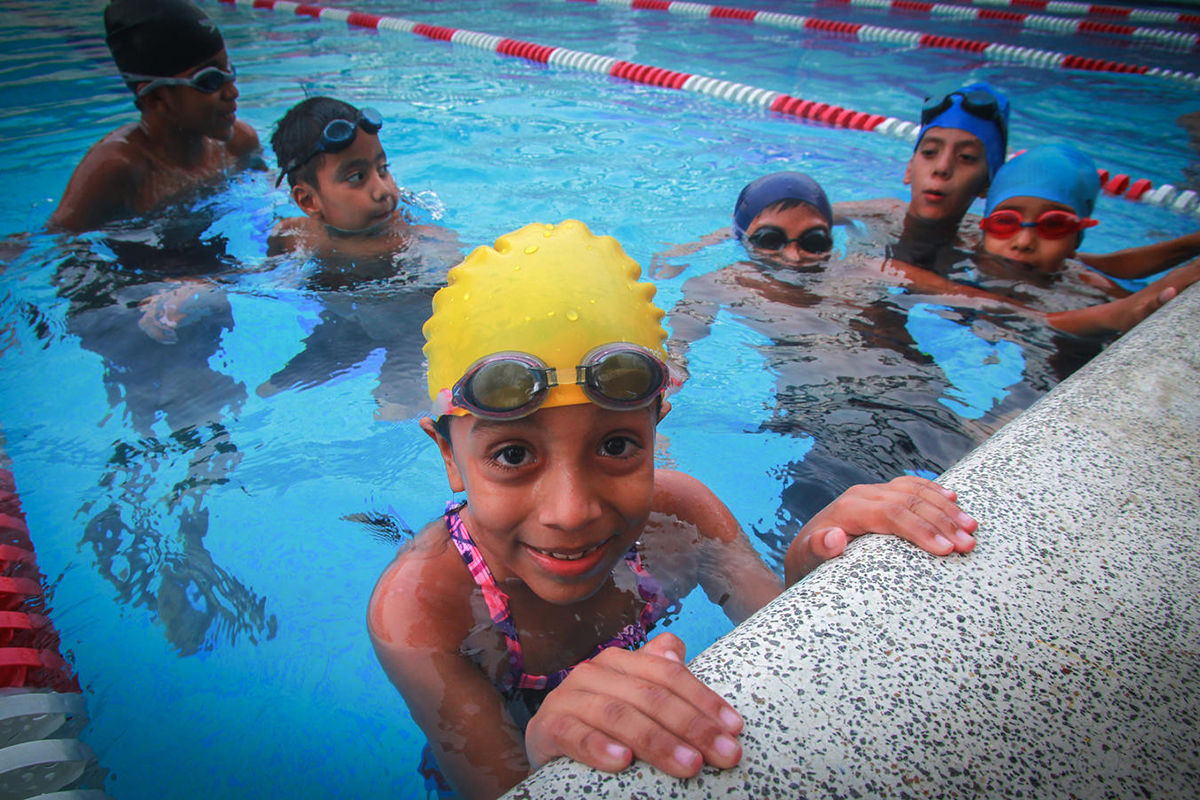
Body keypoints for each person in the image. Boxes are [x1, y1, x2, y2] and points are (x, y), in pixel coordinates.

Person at [367, 220, 978, 800]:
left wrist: (815, 563)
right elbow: (490, 785)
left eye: (615, 446)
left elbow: (787, 648)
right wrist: (541, 757)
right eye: (513, 454)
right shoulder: (421, 609)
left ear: (656, 427)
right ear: (449, 455)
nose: (572, 511)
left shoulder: (681, 516)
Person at [48, 0, 261, 233]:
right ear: (155, 99)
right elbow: (56, 242)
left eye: (229, 71)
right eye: (210, 80)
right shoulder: (116, 168)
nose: (232, 92)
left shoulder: (240, 144)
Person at [973, 144, 1200, 336]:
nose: (1024, 241)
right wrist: (1115, 314)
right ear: (983, 228)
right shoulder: (959, 244)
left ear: (1075, 242)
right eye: (1005, 221)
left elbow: (1133, 301)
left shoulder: (1089, 288)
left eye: (1054, 224)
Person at [834, 82, 1010, 271]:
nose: (942, 168)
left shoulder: (987, 248)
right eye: (929, 152)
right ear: (909, 168)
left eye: (966, 157)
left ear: (988, 184)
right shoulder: (878, 215)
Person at [267, 96, 460, 264]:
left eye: (383, 169)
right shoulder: (290, 236)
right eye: (356, 177)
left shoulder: (419, 241)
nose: (382, 190)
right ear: (308, 201)